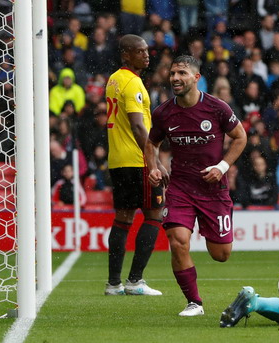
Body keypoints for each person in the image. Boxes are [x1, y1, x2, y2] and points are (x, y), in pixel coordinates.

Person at [145, 55, 247, 316]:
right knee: (177, 241)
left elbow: (240, 137)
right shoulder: (163, 112)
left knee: (221, 254)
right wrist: (154, 167)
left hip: (214, 189)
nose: (175, 78)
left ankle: (210, 231)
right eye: (172, 73)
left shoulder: (217, 108)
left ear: (196, 77)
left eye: (181, 73)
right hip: (180, 187)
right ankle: (194, 302)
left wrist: (221, 167)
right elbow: (151, 143)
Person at [104, 34, 165, 296]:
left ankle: (113, 284)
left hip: (118, 159)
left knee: (123, 218)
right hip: (137, 160)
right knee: (155, 214)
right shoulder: (133, 83)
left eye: (146, 50)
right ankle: (135, 281)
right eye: (139, 51)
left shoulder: (114, 79)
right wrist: (154, 162)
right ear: (126, 55)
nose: (146, 54)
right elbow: (138, 125)